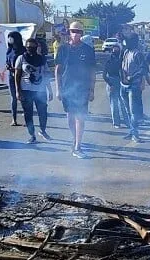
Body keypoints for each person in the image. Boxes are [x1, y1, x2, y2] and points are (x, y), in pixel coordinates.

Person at [55, 22, 96, 159]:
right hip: (67, 88)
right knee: (70, 117)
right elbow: (58, 70)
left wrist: (92, 90)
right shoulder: (63, 49)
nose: (75, 33)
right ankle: (75, 139)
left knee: (80, 117)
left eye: (78, 31)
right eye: (73, 31)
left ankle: (78, 146)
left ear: (82, 33)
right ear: (69, 32)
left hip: (82, 89)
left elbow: (92, 71)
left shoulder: (88, 50)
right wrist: (58, 89)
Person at [15, 38, 53, 144]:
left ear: (36, 47)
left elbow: (46, 76)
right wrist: (18, 91)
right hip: (26, 90)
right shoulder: (21, 58)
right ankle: (32, 135)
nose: (30, 49)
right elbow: (17, 75)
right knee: (28, 113)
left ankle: (43, 130)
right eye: (28, 47)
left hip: (40, 91)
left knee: (43, 112)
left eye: (33, 47)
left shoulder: (42, 59)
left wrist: (50, 90)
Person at [120, 33, 146, 143]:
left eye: (128, 41)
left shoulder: (137, 54)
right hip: (124, 85)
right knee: (127, 111)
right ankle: (131, 131)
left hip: (133, 86)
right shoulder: (126, 52)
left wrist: (132, 77)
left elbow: (143, 69)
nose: (125, 43)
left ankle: (135, 133)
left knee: (133, 111)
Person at [6, 31, 25, 126]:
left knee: (22, 98)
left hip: (22, 77)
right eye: (9, 37)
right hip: (11, 76)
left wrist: (17, 69)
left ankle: (27, 116)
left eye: (12, 37)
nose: (10, 39)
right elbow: (7, 61)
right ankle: (14, 119)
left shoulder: (23, 50)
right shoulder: (9, 50)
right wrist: (8, 66)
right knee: (13, 98)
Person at [103, 45, 124, 128]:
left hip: (120, 81)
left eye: (117, 50)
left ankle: (127, 121)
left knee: (123, 103)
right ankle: (116, 122)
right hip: (111, 81)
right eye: (114, 50)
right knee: (114, 104)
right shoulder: (109, 61)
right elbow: (104, 75)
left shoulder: (121, 60)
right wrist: (110, 84)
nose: (116, 52)